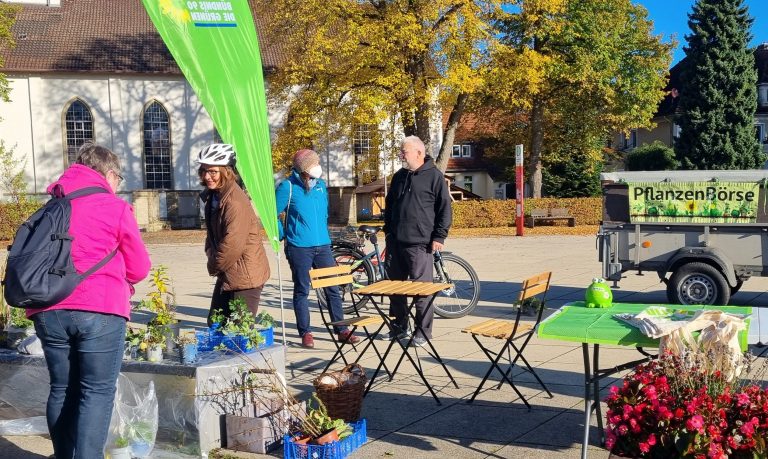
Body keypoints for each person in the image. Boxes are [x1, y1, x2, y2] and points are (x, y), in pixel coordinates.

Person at [25, 142, 151, 459]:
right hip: (100, 308)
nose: (118, 185)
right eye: (119, 179)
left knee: (61, 388)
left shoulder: (51, 206)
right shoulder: (115, 207)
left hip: (47, 308)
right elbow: (139, 268)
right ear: (109, 174)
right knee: (96, 391)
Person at [276, 149, 359, 348]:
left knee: (332, 288)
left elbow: (323, 214)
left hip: (322, 245)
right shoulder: (287, 186)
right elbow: (271, 213)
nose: (318, 166)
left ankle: (342, 329)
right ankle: (306, 332)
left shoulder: (321, 185)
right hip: (299, 247)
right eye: (314, 163)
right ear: (303, 168)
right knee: (302, 290)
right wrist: (282, 234)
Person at [383, 136, 452, 347]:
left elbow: (445, 209)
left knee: (422, 291)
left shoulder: (434, 177)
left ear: (419, 153)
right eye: (401, 152)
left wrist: (439, 236)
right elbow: (390, 205)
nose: (401, 155)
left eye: (405, 152)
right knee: (395, 289)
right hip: (396, 242)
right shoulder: (399, 177)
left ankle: (423, 331)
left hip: (421, 244)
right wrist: (388, 232)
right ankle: (399, 326)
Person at [197, 143, 271, 326]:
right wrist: (209, 250)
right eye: (204, 171)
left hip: (245, 275)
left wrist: (214, 265)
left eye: (213, 172)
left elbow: (232, 244)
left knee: (240, 331)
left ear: (226, 171)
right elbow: (213, 234)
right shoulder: (214, 196)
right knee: (216, 323)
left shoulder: (234, 202)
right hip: (229, 270)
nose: (207, 176)